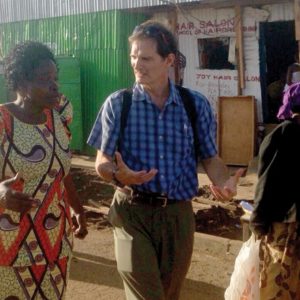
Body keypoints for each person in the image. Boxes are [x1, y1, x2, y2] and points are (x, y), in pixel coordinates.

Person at [87, 20, 243, 300]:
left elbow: (210, 157)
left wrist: (225, 183)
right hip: (131, 212)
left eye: (146, 58)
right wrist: (118, 175)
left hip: (178, 217)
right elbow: (102, 161)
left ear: (168, 60)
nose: (137, 64)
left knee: (169, 294)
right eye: (133, 56)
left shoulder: (194, 105)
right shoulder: (118, 104)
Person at [0, 41, 88, 300]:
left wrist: (78, 208)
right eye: (44, 79)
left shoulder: (59, 116)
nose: (54, 85)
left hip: (54, 243)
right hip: (9, 245)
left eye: (55, 78)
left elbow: (60, 170)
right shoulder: (3, 121)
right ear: (21, 83)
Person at [250, 82, 300, 299]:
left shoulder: (283, 134)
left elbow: (267, 183)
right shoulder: (286, 134)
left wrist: (257, 222)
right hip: (289, 224)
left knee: (278, 287)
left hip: (286, 229)